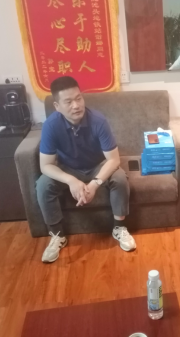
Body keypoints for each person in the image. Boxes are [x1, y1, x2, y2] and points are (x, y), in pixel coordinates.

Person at [36, 76, 136, 263]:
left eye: (78, 98)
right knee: (43, 185)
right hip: (68, 169)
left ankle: (119, 227)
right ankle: (57, 235)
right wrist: (71, 180)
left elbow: (113, 160)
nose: (76, 106)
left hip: (97, 165)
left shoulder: (98, 120)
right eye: (68, 102)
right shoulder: (51, 125)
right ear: (57, 106)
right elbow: (45, 165)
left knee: (120, 178)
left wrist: (95, 184)